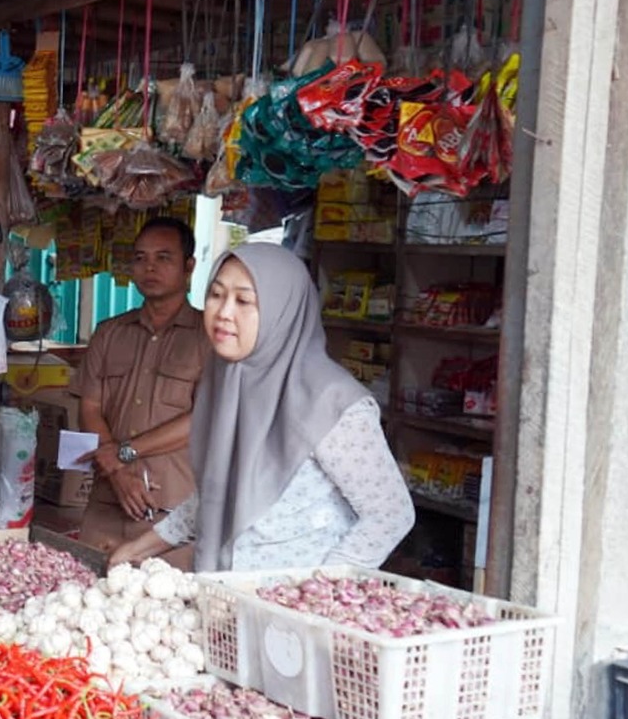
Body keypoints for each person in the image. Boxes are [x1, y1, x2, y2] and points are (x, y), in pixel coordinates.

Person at [108, 244, 415, 572]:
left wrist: (317, 590)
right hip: (223, 595)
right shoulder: (228, 381)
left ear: (283, 311)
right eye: (216, 295)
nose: (224, 312)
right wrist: (140, 548)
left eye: (243, 301)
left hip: (291, 600)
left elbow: (390, 514)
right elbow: (220, 494)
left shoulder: (331, 400)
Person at [70, 217, 211, 568]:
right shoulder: (108, 333)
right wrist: (117, 472)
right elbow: (90, 407)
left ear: (189, 266)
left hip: (172, 517)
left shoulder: (209, 338)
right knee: (86, 590)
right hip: (107, 504)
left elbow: (204, 419)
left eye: (163, 257)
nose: (150, 267)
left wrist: (125, 453)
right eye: (140, 258)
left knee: (165, 600)